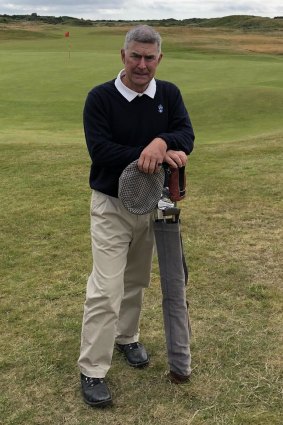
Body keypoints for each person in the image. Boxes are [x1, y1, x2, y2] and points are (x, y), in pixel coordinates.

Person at [78, 24, 195, 407]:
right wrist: (152, 153)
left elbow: (185, 135)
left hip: (153, 207)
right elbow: (101, 151)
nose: (142, 65)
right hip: (111, 204)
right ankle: (93, 369)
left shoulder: (170, 94)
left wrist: (163, 142)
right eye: (135, 56)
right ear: (122, 56)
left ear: (159, 59)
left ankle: (126, 337)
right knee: (106, 288)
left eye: (149, 58)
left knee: (135, 281)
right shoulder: (100, 98)